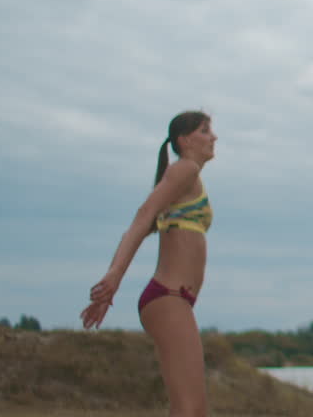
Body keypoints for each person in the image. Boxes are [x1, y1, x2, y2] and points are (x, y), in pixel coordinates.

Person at [80, 110, 217, 417]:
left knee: (187, 409)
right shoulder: (185, 169)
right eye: (205, 130)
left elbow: (148, 221)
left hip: (174, 299)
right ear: (184, 140)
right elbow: (143, 216)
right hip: (168, 298)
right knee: (191, 410)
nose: (214, 137)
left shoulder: (187, 175)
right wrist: (114, 277)